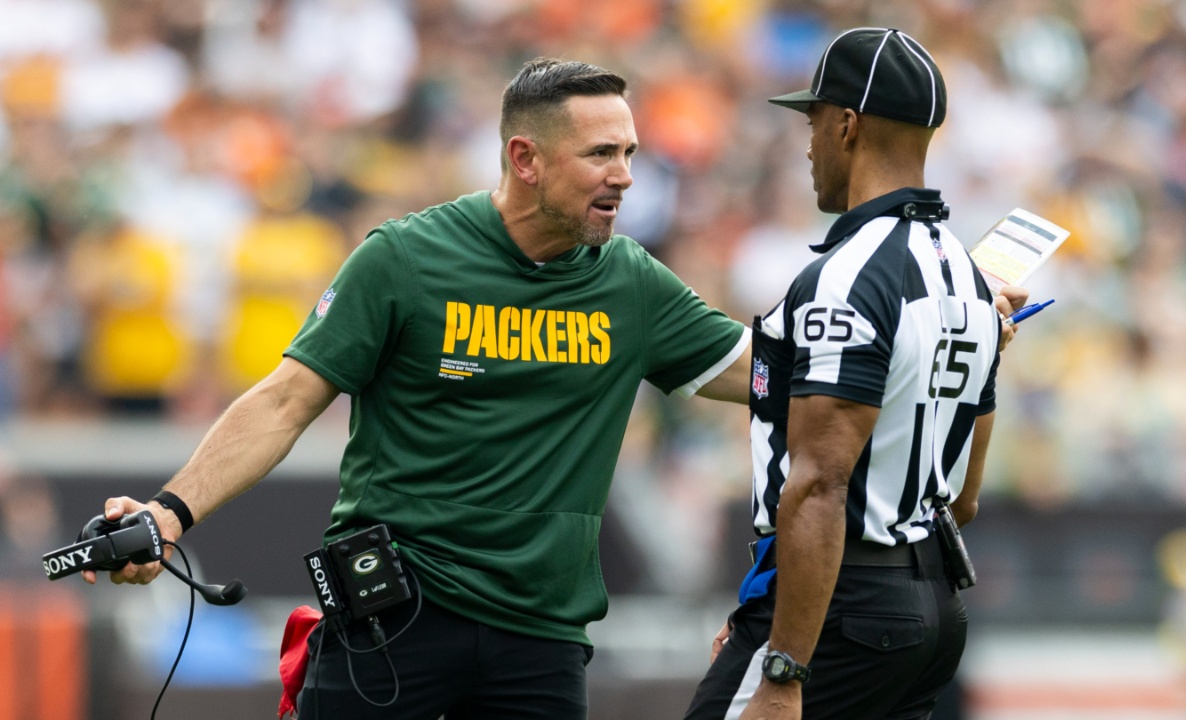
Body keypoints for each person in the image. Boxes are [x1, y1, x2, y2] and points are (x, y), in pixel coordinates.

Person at [82, 56, 1023, 719]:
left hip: (540, 642)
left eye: (631, 153)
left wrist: (953, 326)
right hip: (394, 623)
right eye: (601, 155)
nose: (626, 177)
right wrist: (170, 513)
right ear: (524, 159)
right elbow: (284, 400)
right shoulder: (405, 258)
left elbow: (787, 378)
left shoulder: (632, 283)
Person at [683, 28, 1007, 720]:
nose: (808, 145)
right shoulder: (971, 277)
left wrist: (783, 665)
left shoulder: (849, 276)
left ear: (847, 125)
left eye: (813, 120)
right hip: (931, 607)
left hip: (844, 608)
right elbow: (965, 499)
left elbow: (819, 483)